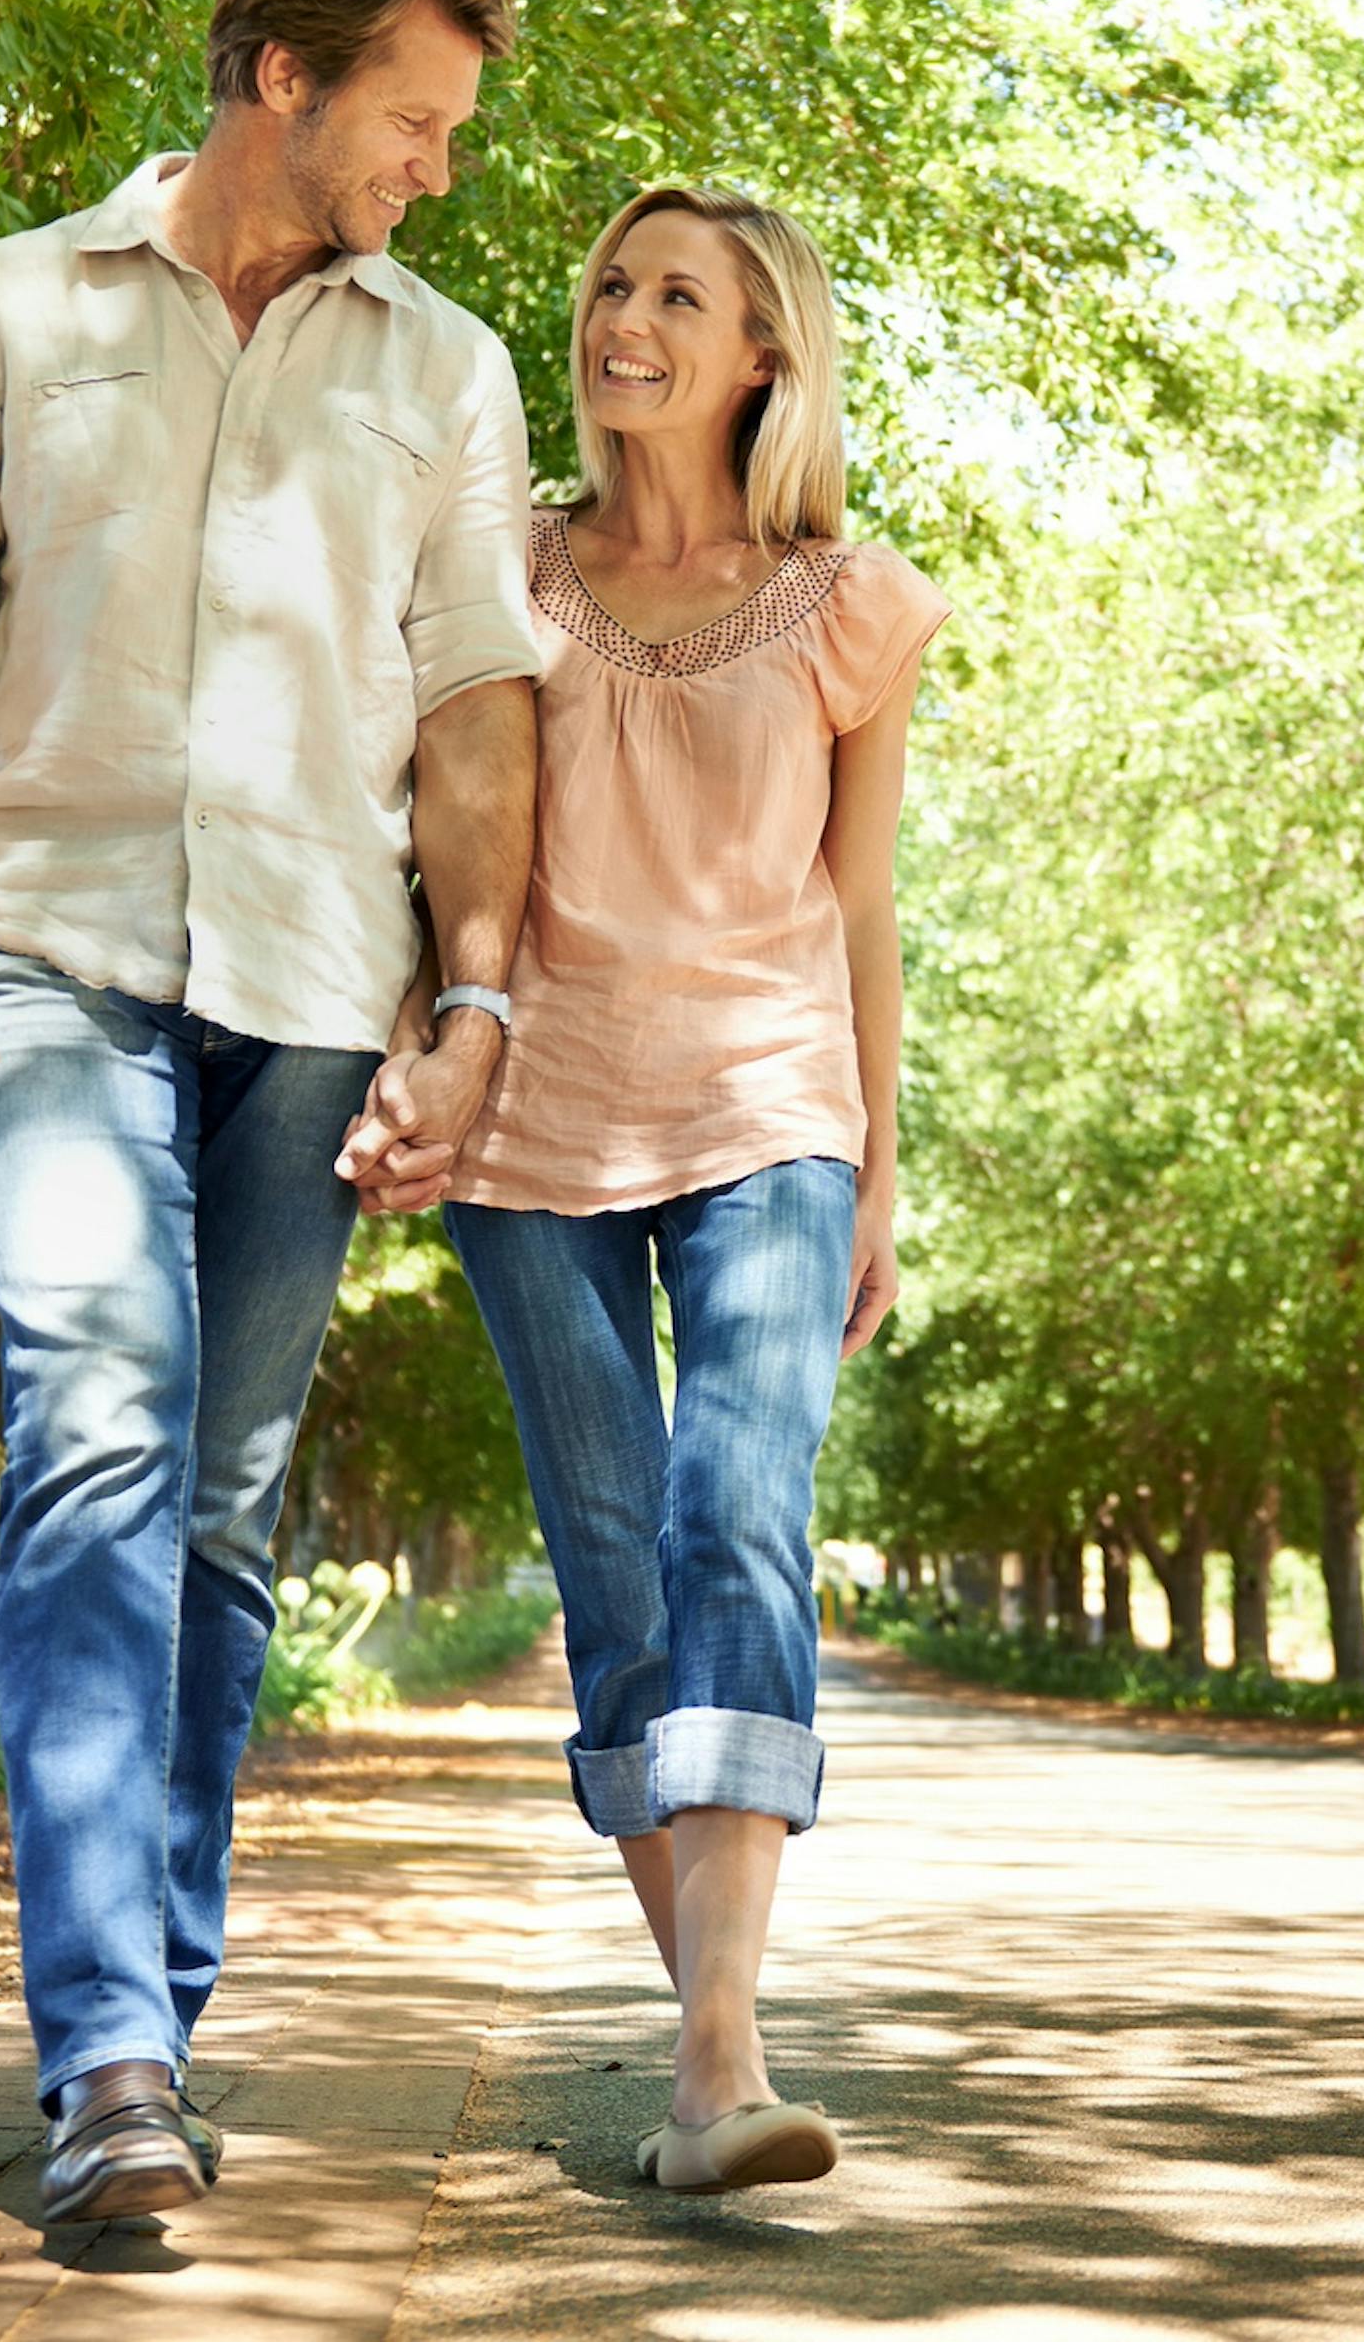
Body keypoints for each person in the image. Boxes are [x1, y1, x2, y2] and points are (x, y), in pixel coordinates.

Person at [0, 0, 542, 2224]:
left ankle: (160, 1999)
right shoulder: (12, 304)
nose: (434, 169)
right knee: (100, 1428)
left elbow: (473, 716)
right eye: (412, 122)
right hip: (54, 946)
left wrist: (481, 993)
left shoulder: (448, 369)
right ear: (282, 79)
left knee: (223, 1499)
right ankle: (106, 2048)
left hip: (320, 985)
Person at [352, 185, 947, 2195]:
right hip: (531, 1126)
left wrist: (878, 1154)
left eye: (676, 293)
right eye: (614, 282)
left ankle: (716, 2055)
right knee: (615, 1567)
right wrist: (415, 1043)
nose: (624, 316)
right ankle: (712, 2053)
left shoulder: (852, 604)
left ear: (763, 351)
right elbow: (425, 837)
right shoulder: (494, 575)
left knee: (730, 1509)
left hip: (772, 1103)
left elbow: (858, 900)